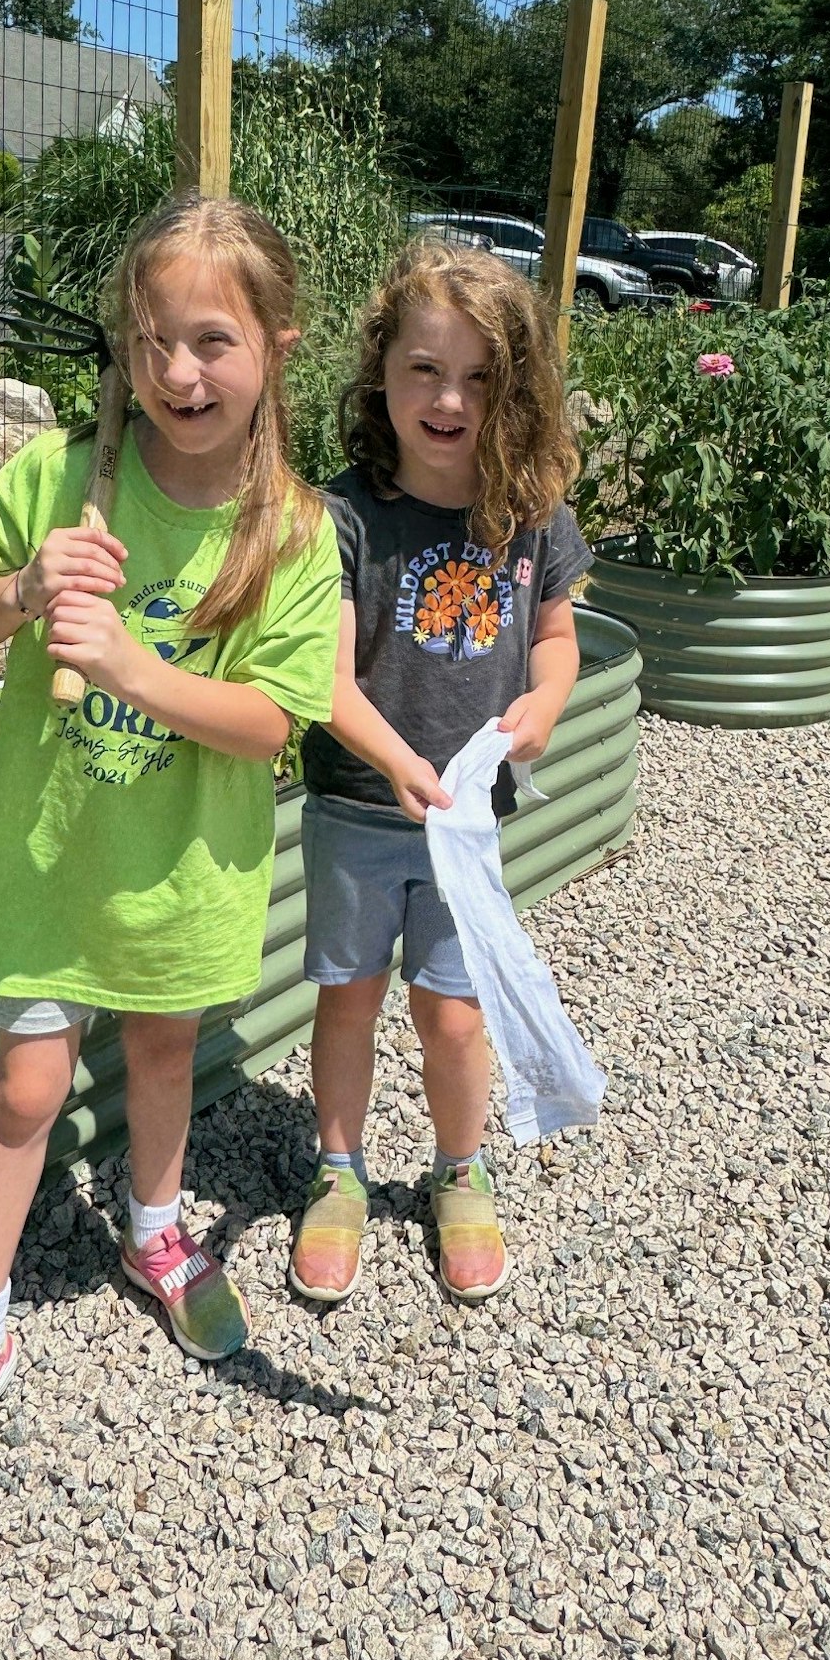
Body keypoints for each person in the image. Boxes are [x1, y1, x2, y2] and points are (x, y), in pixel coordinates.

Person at [0, 194, 341, 1516]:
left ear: (277, 345)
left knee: (161, 1053)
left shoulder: (294, 536)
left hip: (178, 869)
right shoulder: (58, 480)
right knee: (29, 1090)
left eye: (212, 340)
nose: (178, 374)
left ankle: (156, 1230)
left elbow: (271, 720)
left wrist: (136, 667)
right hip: (55, 864)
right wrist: (25, 593)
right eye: (151, 342)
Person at [291, 239, 592, 1307]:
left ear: (514, 388)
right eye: (425, 367)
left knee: (455, 1014)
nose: (449, 397)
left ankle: (460, 1169)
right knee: (348, 997)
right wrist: (398, 762)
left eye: (478, 375)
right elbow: (323, 680)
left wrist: (546, 702)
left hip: (467, 825)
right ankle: (338, 1170)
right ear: (382, 369)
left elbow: (556, 639)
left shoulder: (531, 513)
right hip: (358, 809)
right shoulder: (340, 518)